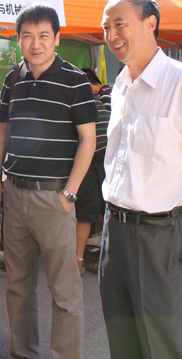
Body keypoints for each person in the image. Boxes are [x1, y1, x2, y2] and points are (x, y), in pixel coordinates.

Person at [98, 0, 182, 359]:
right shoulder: (121, 86)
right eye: (107, 26)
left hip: (165, 235)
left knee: (167, 347)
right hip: (116, 233)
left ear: (150, 23)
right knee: (124, 344)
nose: (112, 35)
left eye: (120, 24)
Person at [0, 3, 97, 359]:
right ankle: (23, 353)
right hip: (15, 194)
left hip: (54, 198)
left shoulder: (74, 79)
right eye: (27, 36)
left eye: (43, 36)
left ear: (56, 39)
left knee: (64, 292)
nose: (36, 43)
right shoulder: (13, 77)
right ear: (18, 40)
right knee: (18, 286)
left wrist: (69, 194)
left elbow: (88, 140)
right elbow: (1, 131)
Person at [74, 86, 109, 276]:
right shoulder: (93, 98)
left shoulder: (77, 96)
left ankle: (78, 262)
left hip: (93, 157)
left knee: (85, 212)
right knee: (108, 210)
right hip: (109, 156)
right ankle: (106, 263)